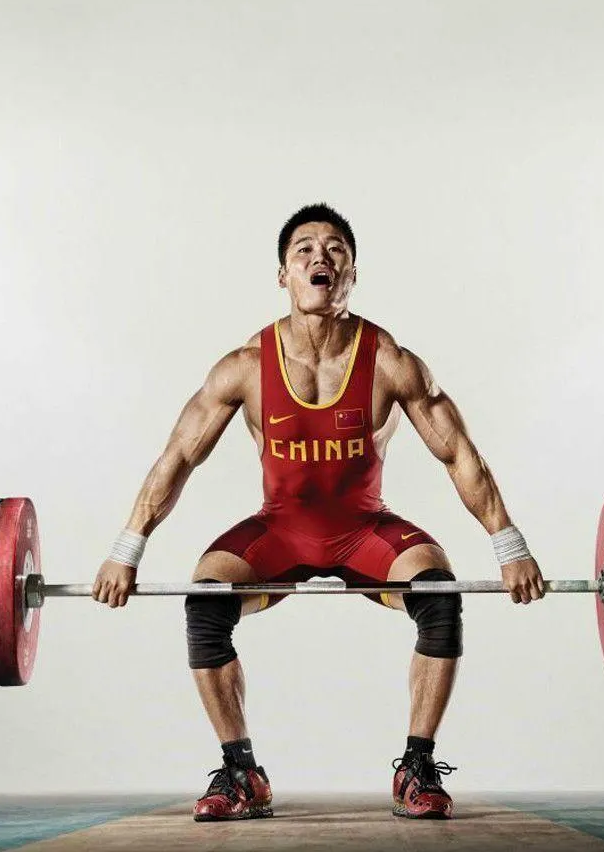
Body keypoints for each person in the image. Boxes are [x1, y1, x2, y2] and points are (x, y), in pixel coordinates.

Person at [90, 203, 546, 822]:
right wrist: (127, 549)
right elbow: (178, 457)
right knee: (205, 601)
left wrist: (508, 546)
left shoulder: (391, 361)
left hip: (367, 531)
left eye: (335, 249)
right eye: (304, 249)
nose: (319, 258)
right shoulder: (244, 367)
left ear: (353, 271)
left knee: (440, 594)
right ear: (283, 273)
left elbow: (459, 453)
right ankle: (240, 770)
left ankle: (416, 766)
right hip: (278, 532)